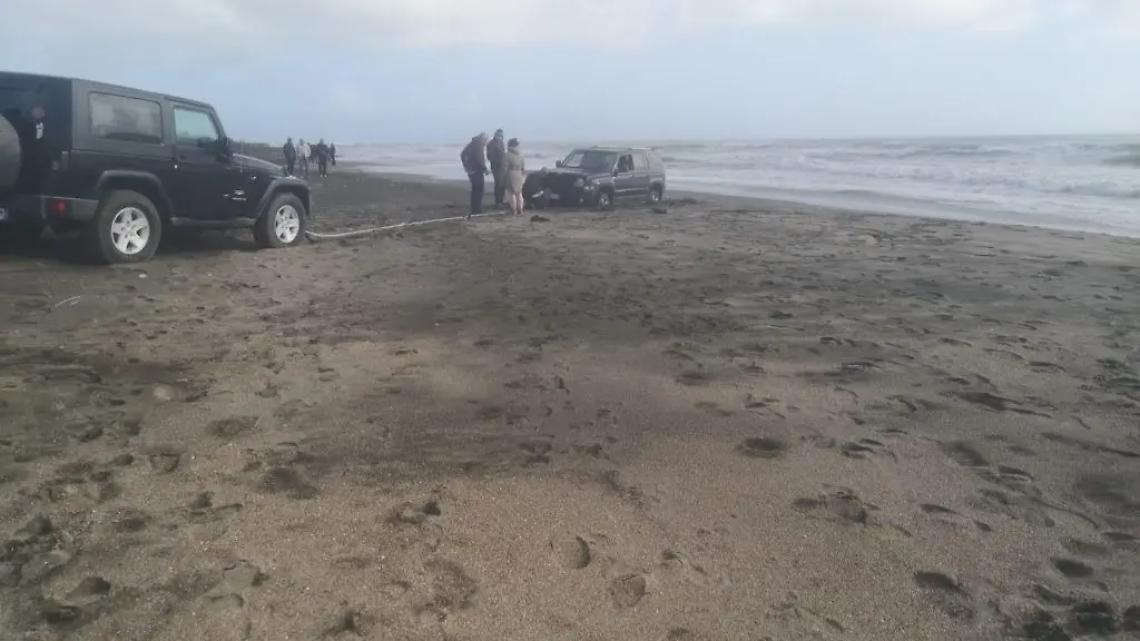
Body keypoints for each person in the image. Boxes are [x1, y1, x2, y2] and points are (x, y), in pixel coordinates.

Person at [460, 132, 489, 219]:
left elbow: (463, 154)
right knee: (479, 189)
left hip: (472, 170)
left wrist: (466, 165)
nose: (486, 142)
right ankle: (477, 209)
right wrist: (485, 169)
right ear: (483, 139)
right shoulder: (478, 145)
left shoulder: (472, 143)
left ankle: (475, 208)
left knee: (475, 189)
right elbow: (479, 159)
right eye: (486, 140)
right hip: (476, 170)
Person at [505, 138, 526, 216]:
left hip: (511, 173)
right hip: (519, 173)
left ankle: (514, 210)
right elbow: (523, 167)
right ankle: (520, 209)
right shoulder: (521, 155)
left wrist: (503, 177)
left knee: (511, 193)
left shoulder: (507, 155)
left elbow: (505, 167)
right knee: (519, 193)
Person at [487, 129, 506, 209]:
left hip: (502, 166)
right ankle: (498, 202)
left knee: (502, 184)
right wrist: (495, 162)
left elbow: (503, 154)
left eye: (501, 135)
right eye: (499, 135)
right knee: (498, 184)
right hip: (496, 166)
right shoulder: (491, 143)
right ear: (495, 134)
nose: (500, 136)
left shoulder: (501, 142)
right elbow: (489, 156)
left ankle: (501, 201)